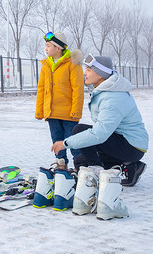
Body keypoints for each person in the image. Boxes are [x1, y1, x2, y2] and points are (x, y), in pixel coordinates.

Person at [52, 55, 148, 187]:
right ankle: (131, 167)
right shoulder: (105, 91)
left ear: (101, 74)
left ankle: (97, 172)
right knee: (81, 163)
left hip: (131, 145)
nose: (84, 72)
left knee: (79, 130)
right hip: (122, 143)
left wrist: (65, 143)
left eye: (89, 70)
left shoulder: (113, 98)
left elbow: (99, 133)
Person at [35, 31, 84, 170]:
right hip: (51, 113)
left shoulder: (72, 64)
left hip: (69, 113)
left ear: (58, 48)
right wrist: (40, 111)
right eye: (45, 46)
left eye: (49, 46)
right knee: (56, 140)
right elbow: (41, 89)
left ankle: (80, 166)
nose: (46, 49)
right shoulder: (46, 65)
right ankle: (61, 164)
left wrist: (76, 111)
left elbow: (78, 89)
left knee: (72, 140)